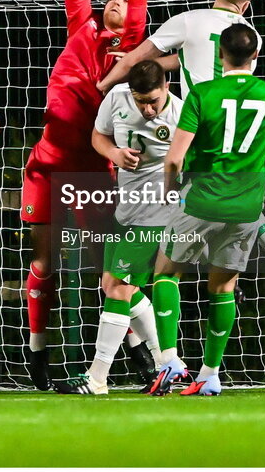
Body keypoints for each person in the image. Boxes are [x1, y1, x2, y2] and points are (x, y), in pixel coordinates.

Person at [97, 0, 265, 280]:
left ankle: (176, 266)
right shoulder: (249, 35)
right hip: (238, 127)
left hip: (193, 125)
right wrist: (157, 65)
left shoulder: (189, 20)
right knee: (230, 193)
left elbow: (137, 58)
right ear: (246, 5)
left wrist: (104, 83)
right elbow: (193, 59)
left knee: (185, 203)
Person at [20, 0, 151, 390]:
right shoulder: (82, 25)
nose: (115, 2)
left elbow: (137, 16)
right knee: (44, 262)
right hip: (47, 160)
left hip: (92, 166)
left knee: (108, 270)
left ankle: (143, 350)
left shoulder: (129, 49)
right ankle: (36, 351)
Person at [150, 23, 265, 397]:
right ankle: (210, 375)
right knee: (224, 286)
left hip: (202, 199)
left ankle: (168, 360)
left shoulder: (202, 93)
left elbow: (175, 159)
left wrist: (170, 193)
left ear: (220, 55)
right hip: (246, 207)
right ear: (257, 55)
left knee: (166, 273)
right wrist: (261, 176)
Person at [54, 60, 182, 395]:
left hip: (156, 212)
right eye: (141, 102)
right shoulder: (117, 98)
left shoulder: (180, 114)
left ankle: (97, 378)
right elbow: (99, 135)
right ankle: (164, 367)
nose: (148, 109)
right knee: (114, 284)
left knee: (118, 289)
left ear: (166, 86)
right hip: (125, 209)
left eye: (153, 101)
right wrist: (113, 152)